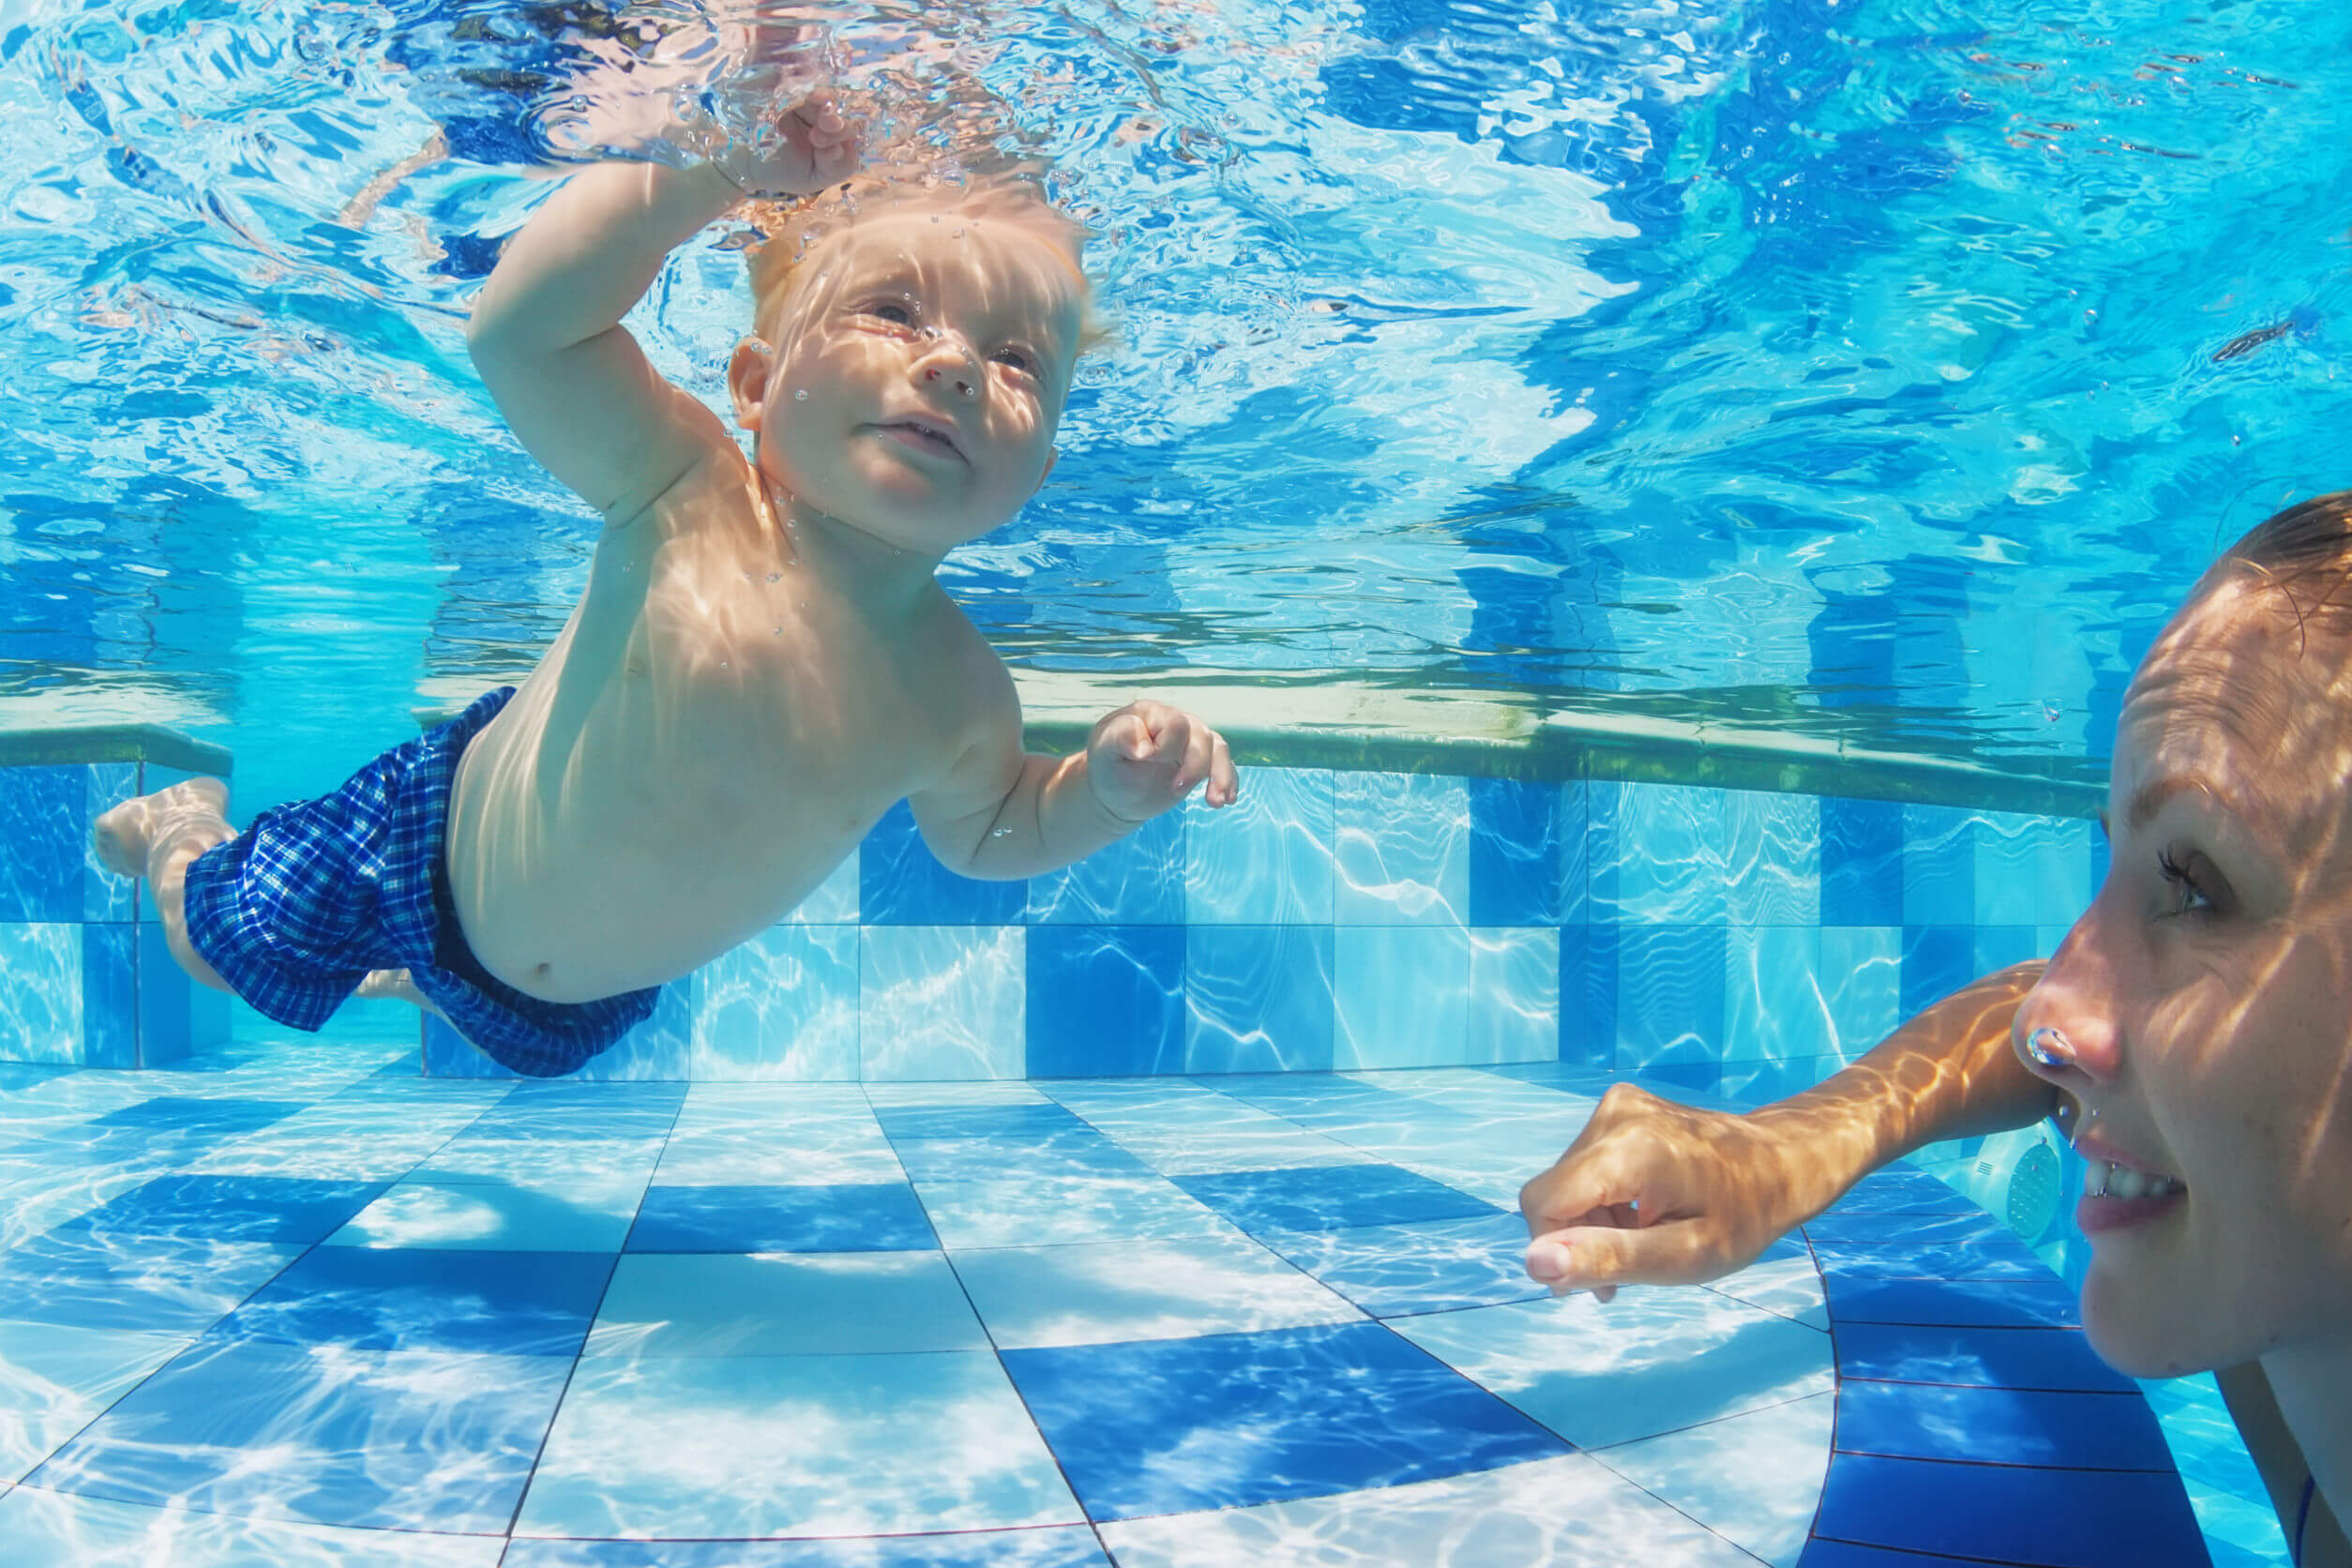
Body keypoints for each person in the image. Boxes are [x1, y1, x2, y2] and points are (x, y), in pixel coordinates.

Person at [94, 88, 1240, 1078]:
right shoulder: (685, 483)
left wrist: (1103, 793)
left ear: (1037, 471)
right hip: (426, 843)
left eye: (1015, 361)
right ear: (754, 380)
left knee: (487, 1015)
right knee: (222, 945)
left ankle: (420, 975)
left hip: (568, 1007)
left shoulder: (959, 691)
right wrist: (715, 174)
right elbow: (524, 332)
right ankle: (180, 829)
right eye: (893, 312)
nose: (949, 364)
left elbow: (989, 834)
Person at [1517, 493, 2352, 1566]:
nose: (2055, 1013)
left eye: (2194, 885)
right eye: (2120, 869)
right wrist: (1789, 1144)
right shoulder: (2291, 1320)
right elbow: (2027, 1011)